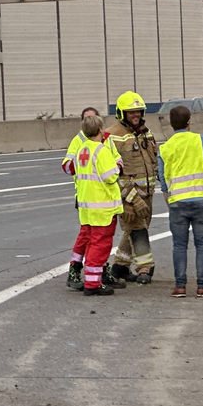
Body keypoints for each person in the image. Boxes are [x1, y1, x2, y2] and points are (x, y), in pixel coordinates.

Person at [157, 105, 203, 298]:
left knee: (179, 245)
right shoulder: (200, 140)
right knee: (202, 244)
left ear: (171, 123)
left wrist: (170, 202)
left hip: (177, 202)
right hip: (201, 200)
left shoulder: (165, 148)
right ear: (189, 121)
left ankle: (180, 286)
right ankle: (202, 286)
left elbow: (163, 180)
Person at [65, 114, 122, 296]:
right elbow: (110, 176)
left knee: (91, 242)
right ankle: (93, 283)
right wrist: (118, 168)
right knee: (100, 244)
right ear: (100, 130)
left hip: (86, 204)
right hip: (102, 205)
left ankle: (91, 279)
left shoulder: (82, 149)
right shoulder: (101, 150)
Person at [106, 91, 159, 284]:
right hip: (129, 197)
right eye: (131, 113)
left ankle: (120, 267)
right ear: (121, 114)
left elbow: (153, 162)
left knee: (133, 229)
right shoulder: (112, 136)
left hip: (148, 196)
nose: (136, 115)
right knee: (138, 231)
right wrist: (129, 200)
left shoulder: (146, 132)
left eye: (138, 111)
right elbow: (113, 174)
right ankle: (145, 269)